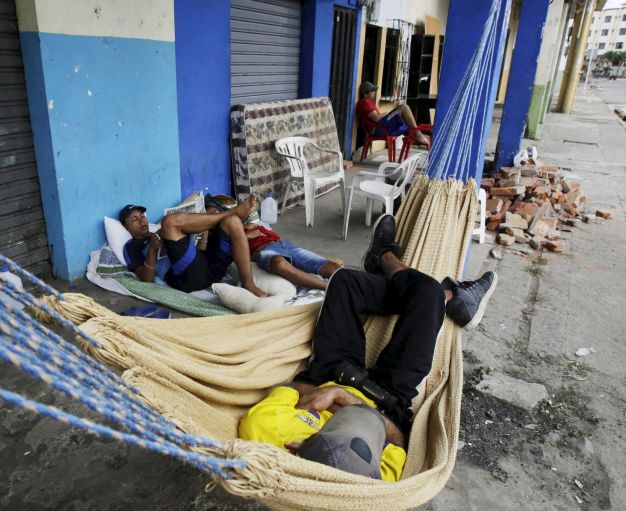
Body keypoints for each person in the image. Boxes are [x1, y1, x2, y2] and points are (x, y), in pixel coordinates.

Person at [239, 214, 497, 481]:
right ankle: (404, 268)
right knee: (427, 293)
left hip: (328, 373)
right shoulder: (373, 480)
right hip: (388, 396)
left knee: (346, 281)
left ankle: (410, 276)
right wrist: (342, 399)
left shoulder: (265, 431)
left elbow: (288, 389)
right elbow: (399, 440)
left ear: (296, 446)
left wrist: (332, 393)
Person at [119, 195, 268, 297]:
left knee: (233, 221)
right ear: (126, 227)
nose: (142, 221)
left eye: (142, 216)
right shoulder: (131, 247)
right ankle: (233, 212)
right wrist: (152, 249)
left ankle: (249, 284)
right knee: (170, 221)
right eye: (134, 219)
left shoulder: (156, 232)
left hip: (209, 269)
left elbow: (196, 253)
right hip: (186, 278)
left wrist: (202, 235)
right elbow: (146, 279)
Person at [204, 195, 341, 290]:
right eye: (208, 214)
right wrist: (247, 236)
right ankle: (327, 287)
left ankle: (350, 283)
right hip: (262, 251)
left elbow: (274, 235)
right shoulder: (222, 235)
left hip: (283, 245)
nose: (211, 216)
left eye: (215, 212)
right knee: (279, 264)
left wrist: (256, 229)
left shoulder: (249, 224)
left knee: (332, 268)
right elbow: (231, 253)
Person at [356, 81, 431, 147]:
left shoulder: (367, 102)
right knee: (404, 107)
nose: (374, 93)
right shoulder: (365, 102)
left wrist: (387, 114)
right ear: (365, 94)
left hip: (380, 127)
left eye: (374, 91)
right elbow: (376, 118)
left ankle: (416, 135)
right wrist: (386, 114)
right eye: (371, 91)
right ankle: (418, 135)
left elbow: (376, 117)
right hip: (378, 129)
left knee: (403, 119)